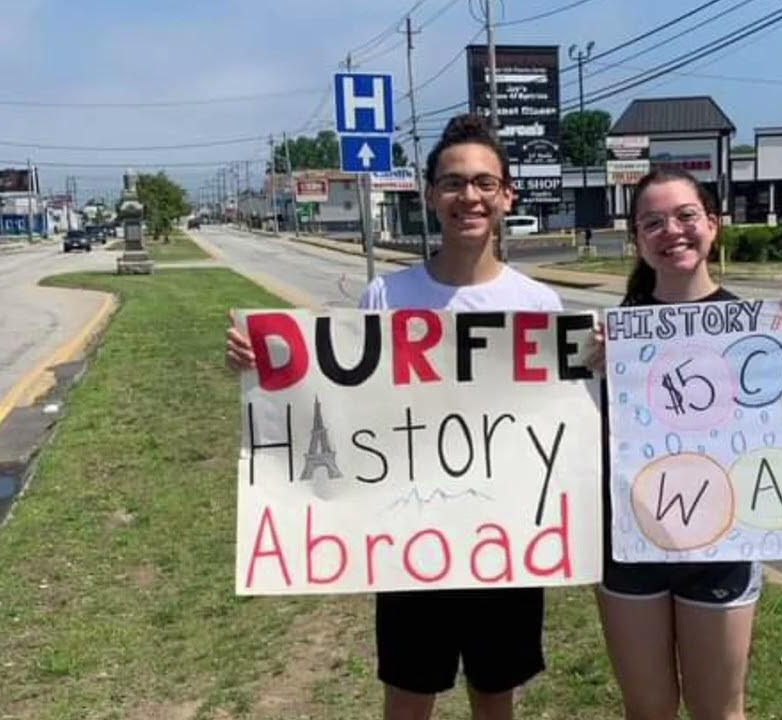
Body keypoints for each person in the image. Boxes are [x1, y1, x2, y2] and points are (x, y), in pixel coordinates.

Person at [227, 114, 562, 720]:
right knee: (408, 699)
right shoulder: (387, 297)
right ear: (430, 195)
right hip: (411, 538)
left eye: (485, 183)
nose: (469, 196)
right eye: (453, 183)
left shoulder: (540, 305)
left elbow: (560, 422)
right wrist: (265, 365)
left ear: (508, 196)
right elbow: (348, 405)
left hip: (503, 540)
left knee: (496, 699)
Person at [591, 167, 782, 720]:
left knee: (720, 711)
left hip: (722, 544)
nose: (671, 231)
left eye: (685, 216)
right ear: (637, 239)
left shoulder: (762, 327)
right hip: (631, 543)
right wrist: (591, 365)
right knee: (647, 711)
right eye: (652, 222)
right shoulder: (612, 334)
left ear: (713, 224)